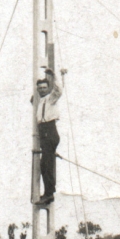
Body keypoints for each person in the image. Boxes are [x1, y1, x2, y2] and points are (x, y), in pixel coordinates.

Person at [33, 67, 66, 206]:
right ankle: (48, 193)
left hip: (50, 131)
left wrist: (54, 76)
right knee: (44, 164)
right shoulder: (40, 102)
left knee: (47, 163)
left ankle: (49, 194)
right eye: (39, 88)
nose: (42, 90)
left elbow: (58, 90)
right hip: (44, 134)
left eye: (44, 87)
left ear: (48, 88)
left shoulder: (50, 98)